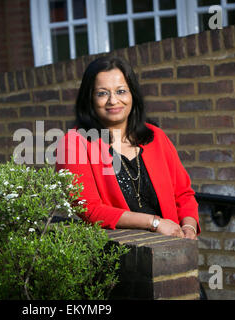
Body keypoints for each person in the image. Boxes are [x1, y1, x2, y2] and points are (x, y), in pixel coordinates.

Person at [55, 56, 200, 240]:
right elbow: (89, 209)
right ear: (89, 98)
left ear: (132, 95)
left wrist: (189, 227)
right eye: (102, 93)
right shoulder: (75, 143)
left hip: (171, 247)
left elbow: (183, 194)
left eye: (121, 91)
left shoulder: (155, 136)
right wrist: (154, 223)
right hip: (119, 254)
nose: (113, 100)